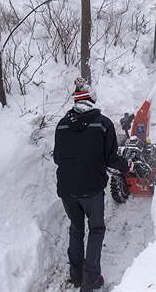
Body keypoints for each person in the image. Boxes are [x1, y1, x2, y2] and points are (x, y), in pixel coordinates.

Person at [53, 77, 132, 292]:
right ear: (92, 99)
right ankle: (92, 278)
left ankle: (76, 275)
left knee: (76, 228)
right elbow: (111, 159)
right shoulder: (103, 124)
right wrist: (129, 166)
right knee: (96, 228)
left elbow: (57, 158)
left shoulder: (61, 125)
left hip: (66, 191)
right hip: (91, 189)